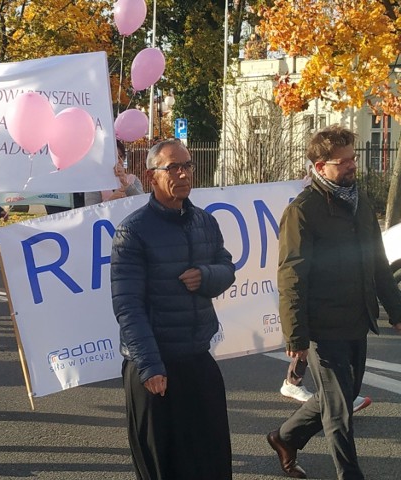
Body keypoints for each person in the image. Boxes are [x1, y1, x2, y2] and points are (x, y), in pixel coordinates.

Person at [267, 125, 401, 480]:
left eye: (353, 158)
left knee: (340, 395)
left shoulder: (358, 202)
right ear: (321, 165)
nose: (352, 166)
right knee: (340, 410)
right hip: (322, 325)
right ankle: (349, 474)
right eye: (344, 162)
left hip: (356, 318)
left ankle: (285, 437)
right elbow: (291, 275)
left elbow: (376, 261)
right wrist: (295, 334)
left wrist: (396, 309)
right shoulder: (303, 210)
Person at [111, 139, 236, 480]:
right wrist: (150, 366)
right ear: (152, 177)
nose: (183, 173)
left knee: (210, 460)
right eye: (173, 167)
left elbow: (226, 268)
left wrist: (206, 277)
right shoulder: (133, 231)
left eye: (188, 165)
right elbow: (127, 305)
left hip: (196, 357)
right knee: (162, 467)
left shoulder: (205, 222)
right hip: (154, 366)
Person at [84, 139, 144, 205]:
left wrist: (127, 185)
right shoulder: (94, 184)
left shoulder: (133, 179)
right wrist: (111, 200)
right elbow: (90, 211)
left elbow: (142, 202)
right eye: (112, 157)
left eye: (119, 156)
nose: (116, 161)